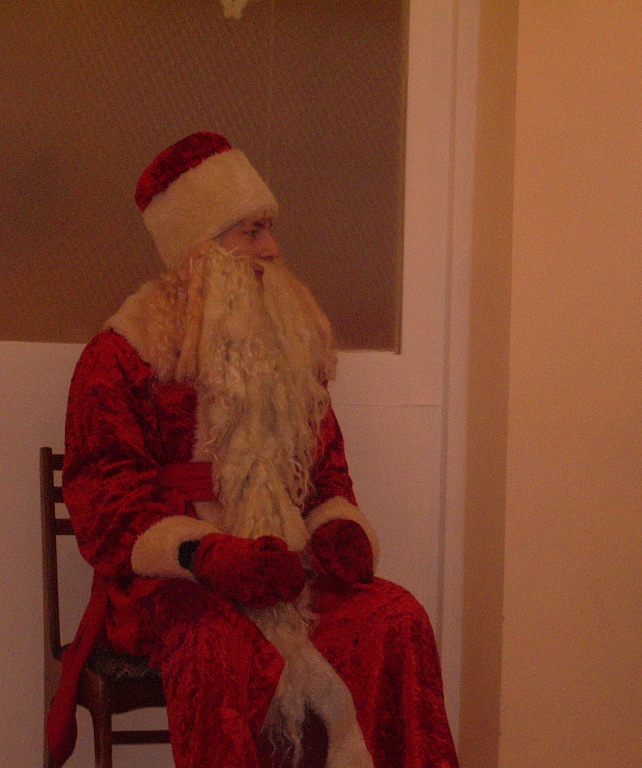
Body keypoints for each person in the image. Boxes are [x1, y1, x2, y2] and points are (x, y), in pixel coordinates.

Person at [45, 132, 460, 768]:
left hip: (286, 568)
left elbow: (325, 473)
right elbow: (104, 501)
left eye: (269, 229)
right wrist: (207, 553)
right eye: (251, 231)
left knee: (395, 617)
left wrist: (337, 529)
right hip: (171, 583)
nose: (271, 248)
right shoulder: (120, 355)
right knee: (212, 640)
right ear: (200, 248)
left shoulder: (290, 348)